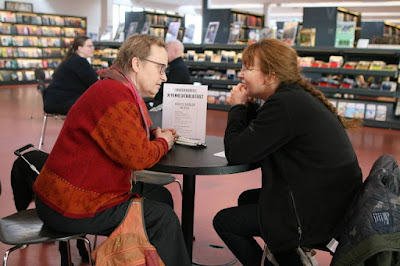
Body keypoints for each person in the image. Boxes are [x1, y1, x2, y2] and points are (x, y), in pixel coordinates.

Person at [33, 34, 191, 266]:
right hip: (69, 205)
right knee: (163, 218)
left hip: (73, 193)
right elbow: (139, 157)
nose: (164, 77)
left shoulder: (117, 88)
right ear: (137, 64)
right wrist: (165, 141)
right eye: (160, 68)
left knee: (162, 197)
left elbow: (127, 134)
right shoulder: (115, 95)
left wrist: (153, 135)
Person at [213, 38, 363, 265]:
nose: (241, 74)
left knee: (224, 222)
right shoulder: (291, 98)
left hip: (317, 213)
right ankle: (288, 256)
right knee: (247, 199)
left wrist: (236, 108)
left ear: (271, 75)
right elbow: (257, 135)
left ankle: (283, 255)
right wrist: (249, 105)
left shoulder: (284, 105)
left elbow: (237, 152)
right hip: (329, 200)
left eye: (247, 68)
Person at [43, 35, 98, 115]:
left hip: (53, 100)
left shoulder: (72, 59)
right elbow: (94, 83)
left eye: (92, 46)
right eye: (89, 46)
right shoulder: (80, 62)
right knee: (98, 103)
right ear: (80, 48)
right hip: (62, 102)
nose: (92, 48)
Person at [152, 39, 191, 107]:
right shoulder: (177, 65)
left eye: (166, 49)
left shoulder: (178, 68)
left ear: (174, 51)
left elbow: (170, 91)